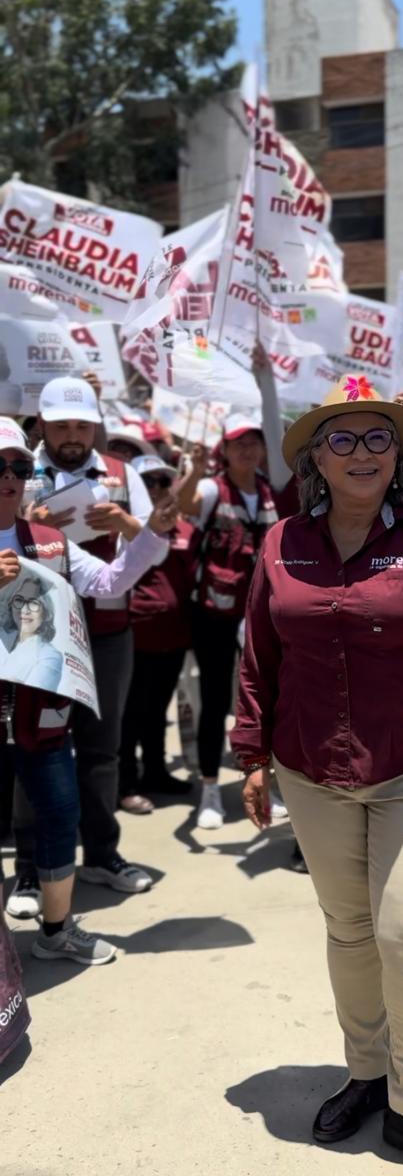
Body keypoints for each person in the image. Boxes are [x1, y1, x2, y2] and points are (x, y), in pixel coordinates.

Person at [232, 375, 403, 1176]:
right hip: (310, 766)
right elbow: (259, 652)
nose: (362, 452)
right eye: (342, 439)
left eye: (378, 437)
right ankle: (365, 1072)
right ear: (316, 457)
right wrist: (252, 754)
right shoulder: (280, 540)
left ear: (400, 454)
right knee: (349, 931)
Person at [0, 417, 174, 960]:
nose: (8, 475)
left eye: (18, 466)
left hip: (42, 710)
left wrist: (150, 536)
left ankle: (56, 932)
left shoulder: (48, 540)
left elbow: (109, 582)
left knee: (58, 811)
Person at [16, 375, 157, 903]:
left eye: (81, 424)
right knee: (34, 745)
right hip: (39, 633)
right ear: (43, 425)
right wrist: (29, 525)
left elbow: (154, 542)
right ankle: (31, 867)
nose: (72, 435)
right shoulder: (19, 468)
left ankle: (101, 853)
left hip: (106, 631)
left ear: (95, 425)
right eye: (61, 425)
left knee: (102, 751)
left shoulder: (122, 473)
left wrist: (127, 521)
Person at [176, 414, 276, 829]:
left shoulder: (271, 492)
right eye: (238, 444)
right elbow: (184, 505)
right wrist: (194, 470)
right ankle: (211, 791)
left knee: (267, 700)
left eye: (253, 441)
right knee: (216, 701)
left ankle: (266, 783)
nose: (247, 450)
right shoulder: (211, 488)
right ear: (225, 450)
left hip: (261, 613)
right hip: (213, 613)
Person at [118, 456, 196, 811]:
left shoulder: (187, 530)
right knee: (131, 712)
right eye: (147, 481)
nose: (156, 488)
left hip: (175, 636)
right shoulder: (122, 528)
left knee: (157, 711)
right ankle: (126, 783)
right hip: (134, 635)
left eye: (163, 481)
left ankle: (155, 772)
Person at [1, 573, 63, 690]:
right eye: (19, 600)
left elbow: (27, 697)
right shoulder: (3, 643)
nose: (24, 610)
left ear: (45, 612)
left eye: (33, 603)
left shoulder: (48, 656)